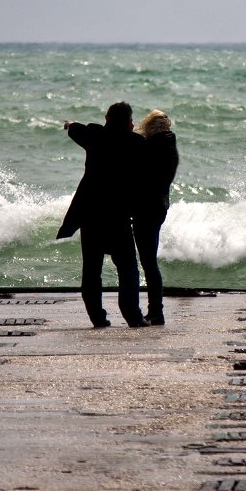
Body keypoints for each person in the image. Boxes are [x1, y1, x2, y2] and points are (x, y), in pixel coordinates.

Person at [56, 101, 148, 328]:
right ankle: (133, 317)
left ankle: (97, 318)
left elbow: (75, 129)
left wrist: (69, 123)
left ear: (107, 118)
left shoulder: (94, 135)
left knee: (91, 271)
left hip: (91, 215)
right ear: (128, 122)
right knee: (127, 269)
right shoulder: (135, 142)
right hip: (118, 216)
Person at [134, 109, 178, 326]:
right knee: (150, 260)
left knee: (148, 262)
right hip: (160, 207)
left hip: (146, 209)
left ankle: (156, 312)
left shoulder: (151, 147)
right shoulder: (169, 147)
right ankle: (155, 311)